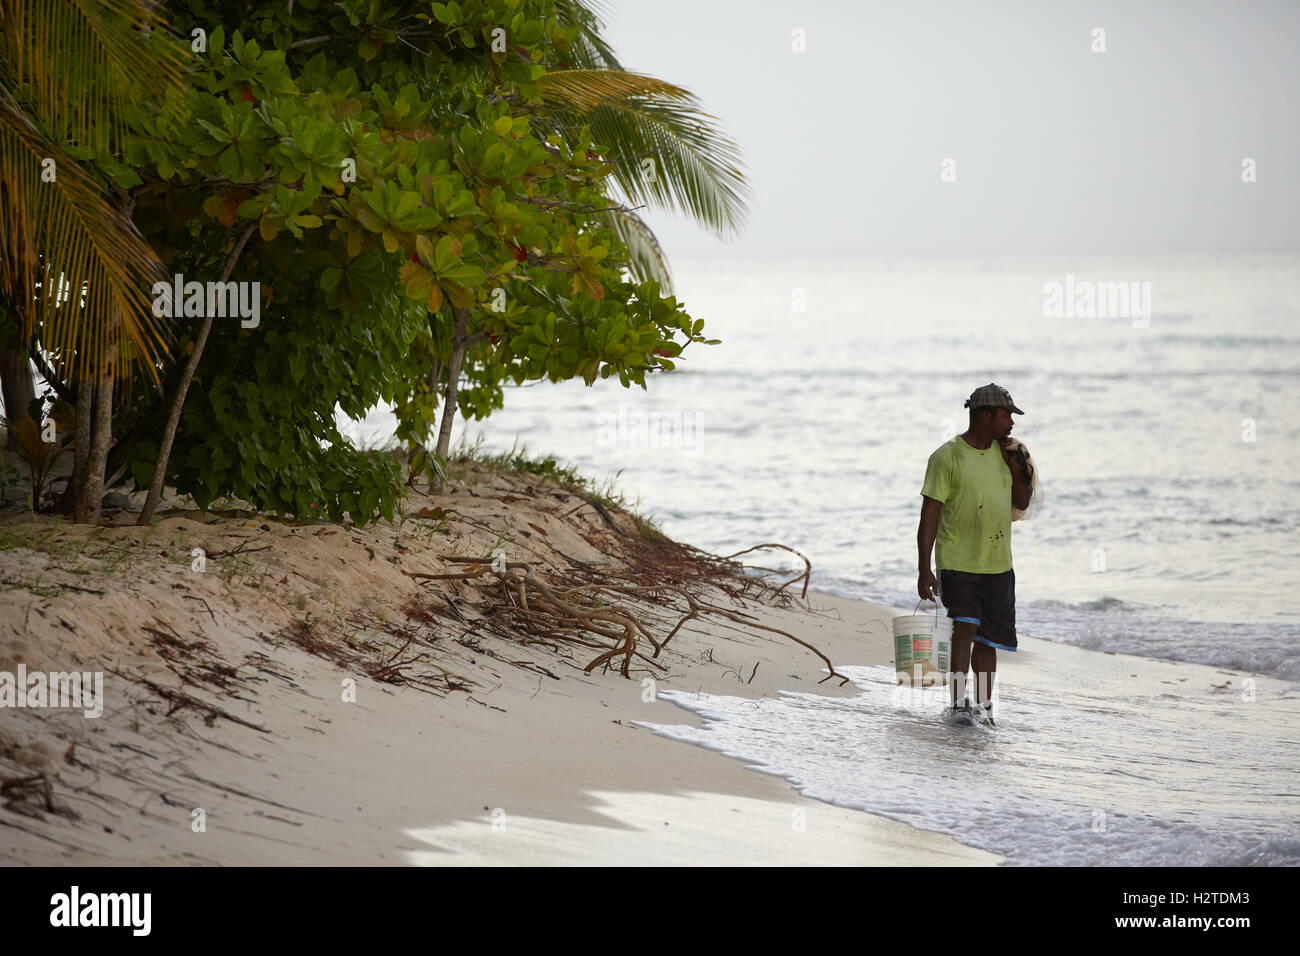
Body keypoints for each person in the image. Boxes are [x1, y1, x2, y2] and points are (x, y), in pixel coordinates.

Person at [916, 383, 1033, 726]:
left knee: (988, 640)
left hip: (998, 564)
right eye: (1006, 415)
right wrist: (925, 569)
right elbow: (930, 515)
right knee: (964, 628)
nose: (1011, 422)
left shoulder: (1008, 453)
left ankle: (983, 708)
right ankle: (957, 704)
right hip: (958, 560)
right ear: (986, 415)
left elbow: (1022, 502)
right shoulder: (946, 457)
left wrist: (1017, 467)